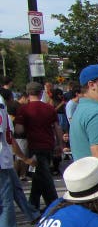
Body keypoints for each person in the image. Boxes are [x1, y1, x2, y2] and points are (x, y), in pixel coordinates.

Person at [15, 81, 62, 211]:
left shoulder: (24, 109)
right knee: (39, 174)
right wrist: (60, 144)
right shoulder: (49, 108)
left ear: (28, 93)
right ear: (41, 92)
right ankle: (34, 204)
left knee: (43, 175)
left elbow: (19, 130)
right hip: (48, 145)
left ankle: (53, 205)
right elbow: (57, 128)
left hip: (34, 146)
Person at [0, 89, 38, 227]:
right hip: (4, 157)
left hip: (2, 159)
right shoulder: (4, 108)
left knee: (5, 197)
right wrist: (24, 158)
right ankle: (32, 214)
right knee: (15, 190)